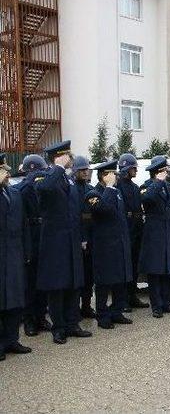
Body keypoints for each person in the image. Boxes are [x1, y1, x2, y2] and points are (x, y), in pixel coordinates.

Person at [35, 140, 92, 344]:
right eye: (68, 156)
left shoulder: (68, 181)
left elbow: (77, 212)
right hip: (55, 243)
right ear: (59, 157)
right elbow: (45, 189)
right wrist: (58, 166)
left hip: (72, 241)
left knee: (73, 285)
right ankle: (58, 329)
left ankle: (72, 324)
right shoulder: (47, 176)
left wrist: (82, 237)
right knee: (57, 287)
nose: (71, 159)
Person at [84, 160, 133, 329]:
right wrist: (110, 188)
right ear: (104, 176)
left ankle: (116, 311)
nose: (116, 177)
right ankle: (103, 315)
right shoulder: (93, 194)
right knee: (104, 283)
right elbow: (103, 209)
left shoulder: (116, 192)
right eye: (112, 174)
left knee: (120, 280)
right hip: (104, 246)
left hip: (119, 243)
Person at [139, 156, 170, 318]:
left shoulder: (167, 186)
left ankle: (167, 302)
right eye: (165, 169)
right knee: (155, 272)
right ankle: (156, 306)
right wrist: (157, 181)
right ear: (159, 171)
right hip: (154, 235)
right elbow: (147, 199)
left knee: (167, 271)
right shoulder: (147, 186)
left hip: (167, 233)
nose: (168, 172)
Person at [15, 154, 51, 336]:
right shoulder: (21, 190)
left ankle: (41, 316)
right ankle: (29, 319)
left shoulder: (42, 187)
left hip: (43, 234)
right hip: (30, 236)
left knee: (43, 280)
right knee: (29, 282)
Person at [1, 154, 32, 361]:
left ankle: (12, 339)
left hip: (14, 253)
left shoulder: (14, 192)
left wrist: (27, 251)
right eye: (3, 170)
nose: (8, 173)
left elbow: (24, 224)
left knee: (14, 299)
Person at [116, 153, 149, 310]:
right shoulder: (118, 186)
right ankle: (122, 299)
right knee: (124, 266)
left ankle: (132, 295)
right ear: (126, 169)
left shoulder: (135, 187)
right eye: (133, 168)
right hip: (126, 229)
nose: (135, 170)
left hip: (136, 228)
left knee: (134, 264)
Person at [72, 155, 96, 319]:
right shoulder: (71, 188)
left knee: (89, 276)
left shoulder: (90, 189)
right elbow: (74, 218)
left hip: (91, 237)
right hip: (76, 238)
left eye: (86, 169)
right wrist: (81, 238)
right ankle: (74, 309)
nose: (85, 172)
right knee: (76, 278)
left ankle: (86, 306)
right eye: (81, 170)